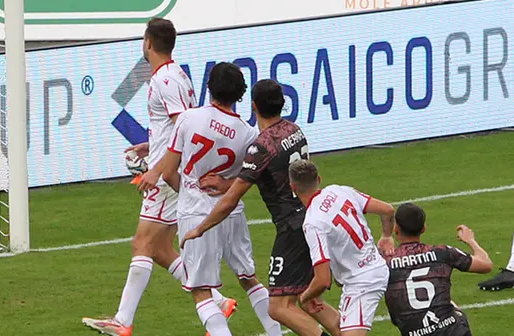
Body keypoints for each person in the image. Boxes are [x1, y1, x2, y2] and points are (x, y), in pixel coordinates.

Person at [83, 19, 235, 336]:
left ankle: (123, 321)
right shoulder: (174, 75)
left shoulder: (165, 80)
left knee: (142, 243)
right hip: (170, 167)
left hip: (169, 174)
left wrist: (157, 168)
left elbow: (184, 127)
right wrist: (150, 145)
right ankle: (218, 302)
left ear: (148, 43)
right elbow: (176, 127)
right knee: (162, 250)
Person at [181, 79, 340, 336]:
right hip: (311, 215)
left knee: (278, 307)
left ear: (253, 106)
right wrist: (229, 182)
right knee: (307, 299)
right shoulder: (294, 130)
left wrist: (200, 229)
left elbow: (231, 201)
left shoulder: (261, 146)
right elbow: (274, 174)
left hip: (291, 227)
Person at [137, 62, 282, 336]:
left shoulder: (188, 119)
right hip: (231, 210)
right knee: (248, 278)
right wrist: (227, 184)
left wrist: (189, 191)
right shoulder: (248, 133)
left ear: (209, 87)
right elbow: (252, 177)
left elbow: (168, 173)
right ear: (240, 95)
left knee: (202, 291)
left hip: (195, 212)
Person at [289, 159, 395, 336]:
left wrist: (305, 297)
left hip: (362, 282)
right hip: (373, 267)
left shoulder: (313, 222)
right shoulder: (340, 190)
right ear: (319, 179)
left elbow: (323, 280)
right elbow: (388, 210)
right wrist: (386, 236)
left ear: (293, 188)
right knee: (341, 330)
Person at [384, 203, 493, 336]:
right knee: (451, 305)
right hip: (453, 332)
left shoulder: (385, 263)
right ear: (424, 228)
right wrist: (470, 240)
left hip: (413, 332)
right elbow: (486, 265)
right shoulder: (442, 253)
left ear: (396, 229)